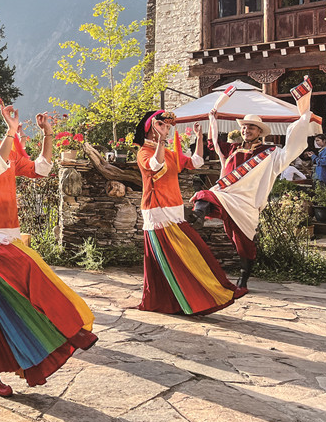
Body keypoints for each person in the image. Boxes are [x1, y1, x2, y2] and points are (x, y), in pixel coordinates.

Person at [0, 84, 97, 397]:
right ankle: (71, 328)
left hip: (7, 229)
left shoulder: (4, 145)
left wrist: (47, 135)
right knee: (31, 271)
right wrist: (11, 133)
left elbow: (39, 170)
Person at [191, 83, 316, 290]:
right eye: (244, 127)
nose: (246, 130)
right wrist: (209, 122)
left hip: (248, 202)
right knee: (205, 194)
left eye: (251, 127)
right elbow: (213, 143)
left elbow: (290, 150)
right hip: (227, 195)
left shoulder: (270, 153)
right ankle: (195, 219)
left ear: (259, 132)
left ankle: (243, 278)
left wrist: (302, 119)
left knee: (243, 242)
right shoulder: (232, 148)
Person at [133, 110, 246, 315]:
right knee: (178, 256)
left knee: (187, 253)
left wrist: (199, 137)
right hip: (157, 209)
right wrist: (161, 141)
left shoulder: (168, 152)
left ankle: (196, 297)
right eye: (162, 126)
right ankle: (191, 298)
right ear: (151, 128)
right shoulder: (144, 152)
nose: (167, 130)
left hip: (173, 208)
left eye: (168, 127)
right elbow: (155, 166)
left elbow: (196, 162)